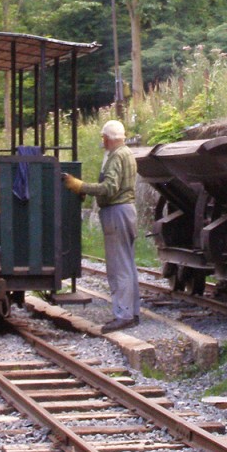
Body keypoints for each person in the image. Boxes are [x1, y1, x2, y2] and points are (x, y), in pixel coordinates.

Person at [62, 120, 140, 333]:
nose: (102, 141)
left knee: (118, 267)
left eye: (103, 138)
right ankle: (132, 313)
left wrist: (80, 186)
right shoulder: (127, 154)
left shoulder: (116, 156)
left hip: (116, 212)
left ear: (107, 138)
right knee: (128, 264)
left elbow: (110, 188)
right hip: (126, 211)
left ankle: (123, 315)